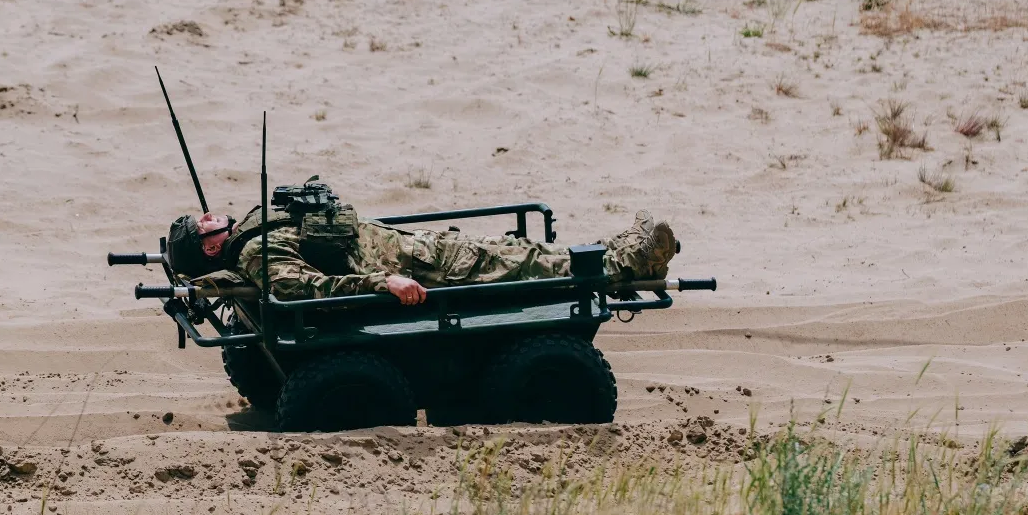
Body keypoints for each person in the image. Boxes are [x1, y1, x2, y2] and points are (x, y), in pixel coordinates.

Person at [165, 180, 678, 303]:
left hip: (398, 246)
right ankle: (628, 261)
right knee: (515, 263)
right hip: (411, 264)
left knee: (504, 250)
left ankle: (613, 252)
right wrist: (383, 281)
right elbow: (313, 288)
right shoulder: (257, 253)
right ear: (211, 249)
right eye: (203, 224)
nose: (211, 216)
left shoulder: (253, 231)